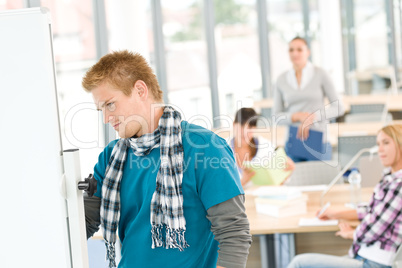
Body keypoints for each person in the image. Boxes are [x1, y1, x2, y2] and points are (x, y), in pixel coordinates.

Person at [81, 50, 251, 268]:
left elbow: (234, 233)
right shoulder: (111, 157)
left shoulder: (205, 148)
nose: (105, 118)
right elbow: (84, 223)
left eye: (110, 104)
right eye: (101, 109)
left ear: (140, 90)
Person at [287, 124, 402, 268]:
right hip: (365, 255)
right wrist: (337, 213)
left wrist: (353, 234)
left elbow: (376, 226)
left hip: (375, 262)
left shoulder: (399, 185)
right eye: (378, 144)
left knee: (299, 263)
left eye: (386, 143)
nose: (380, 150)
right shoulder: (389, 177)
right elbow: (375, 210)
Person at [273, 37, 345, 162]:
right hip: (293, 141)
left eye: (299, 50)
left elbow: (339, 107)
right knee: (295, 180)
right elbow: (275, 117)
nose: (295, 53)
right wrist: (296, 116)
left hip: (319, 140)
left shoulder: (321, 74)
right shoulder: (281, 79)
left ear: (308, 52)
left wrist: (312, 117)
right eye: (291, 50)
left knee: (321, 179)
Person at [228, 107, 295, 187]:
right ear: (234, 124)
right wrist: (242, 182)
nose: (245, 132)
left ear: (255, 128)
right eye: (241, 126)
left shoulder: (266, 146)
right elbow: (220, 191)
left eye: (250, 127)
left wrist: (286, 173)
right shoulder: (222, 149)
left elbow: (277, 183)